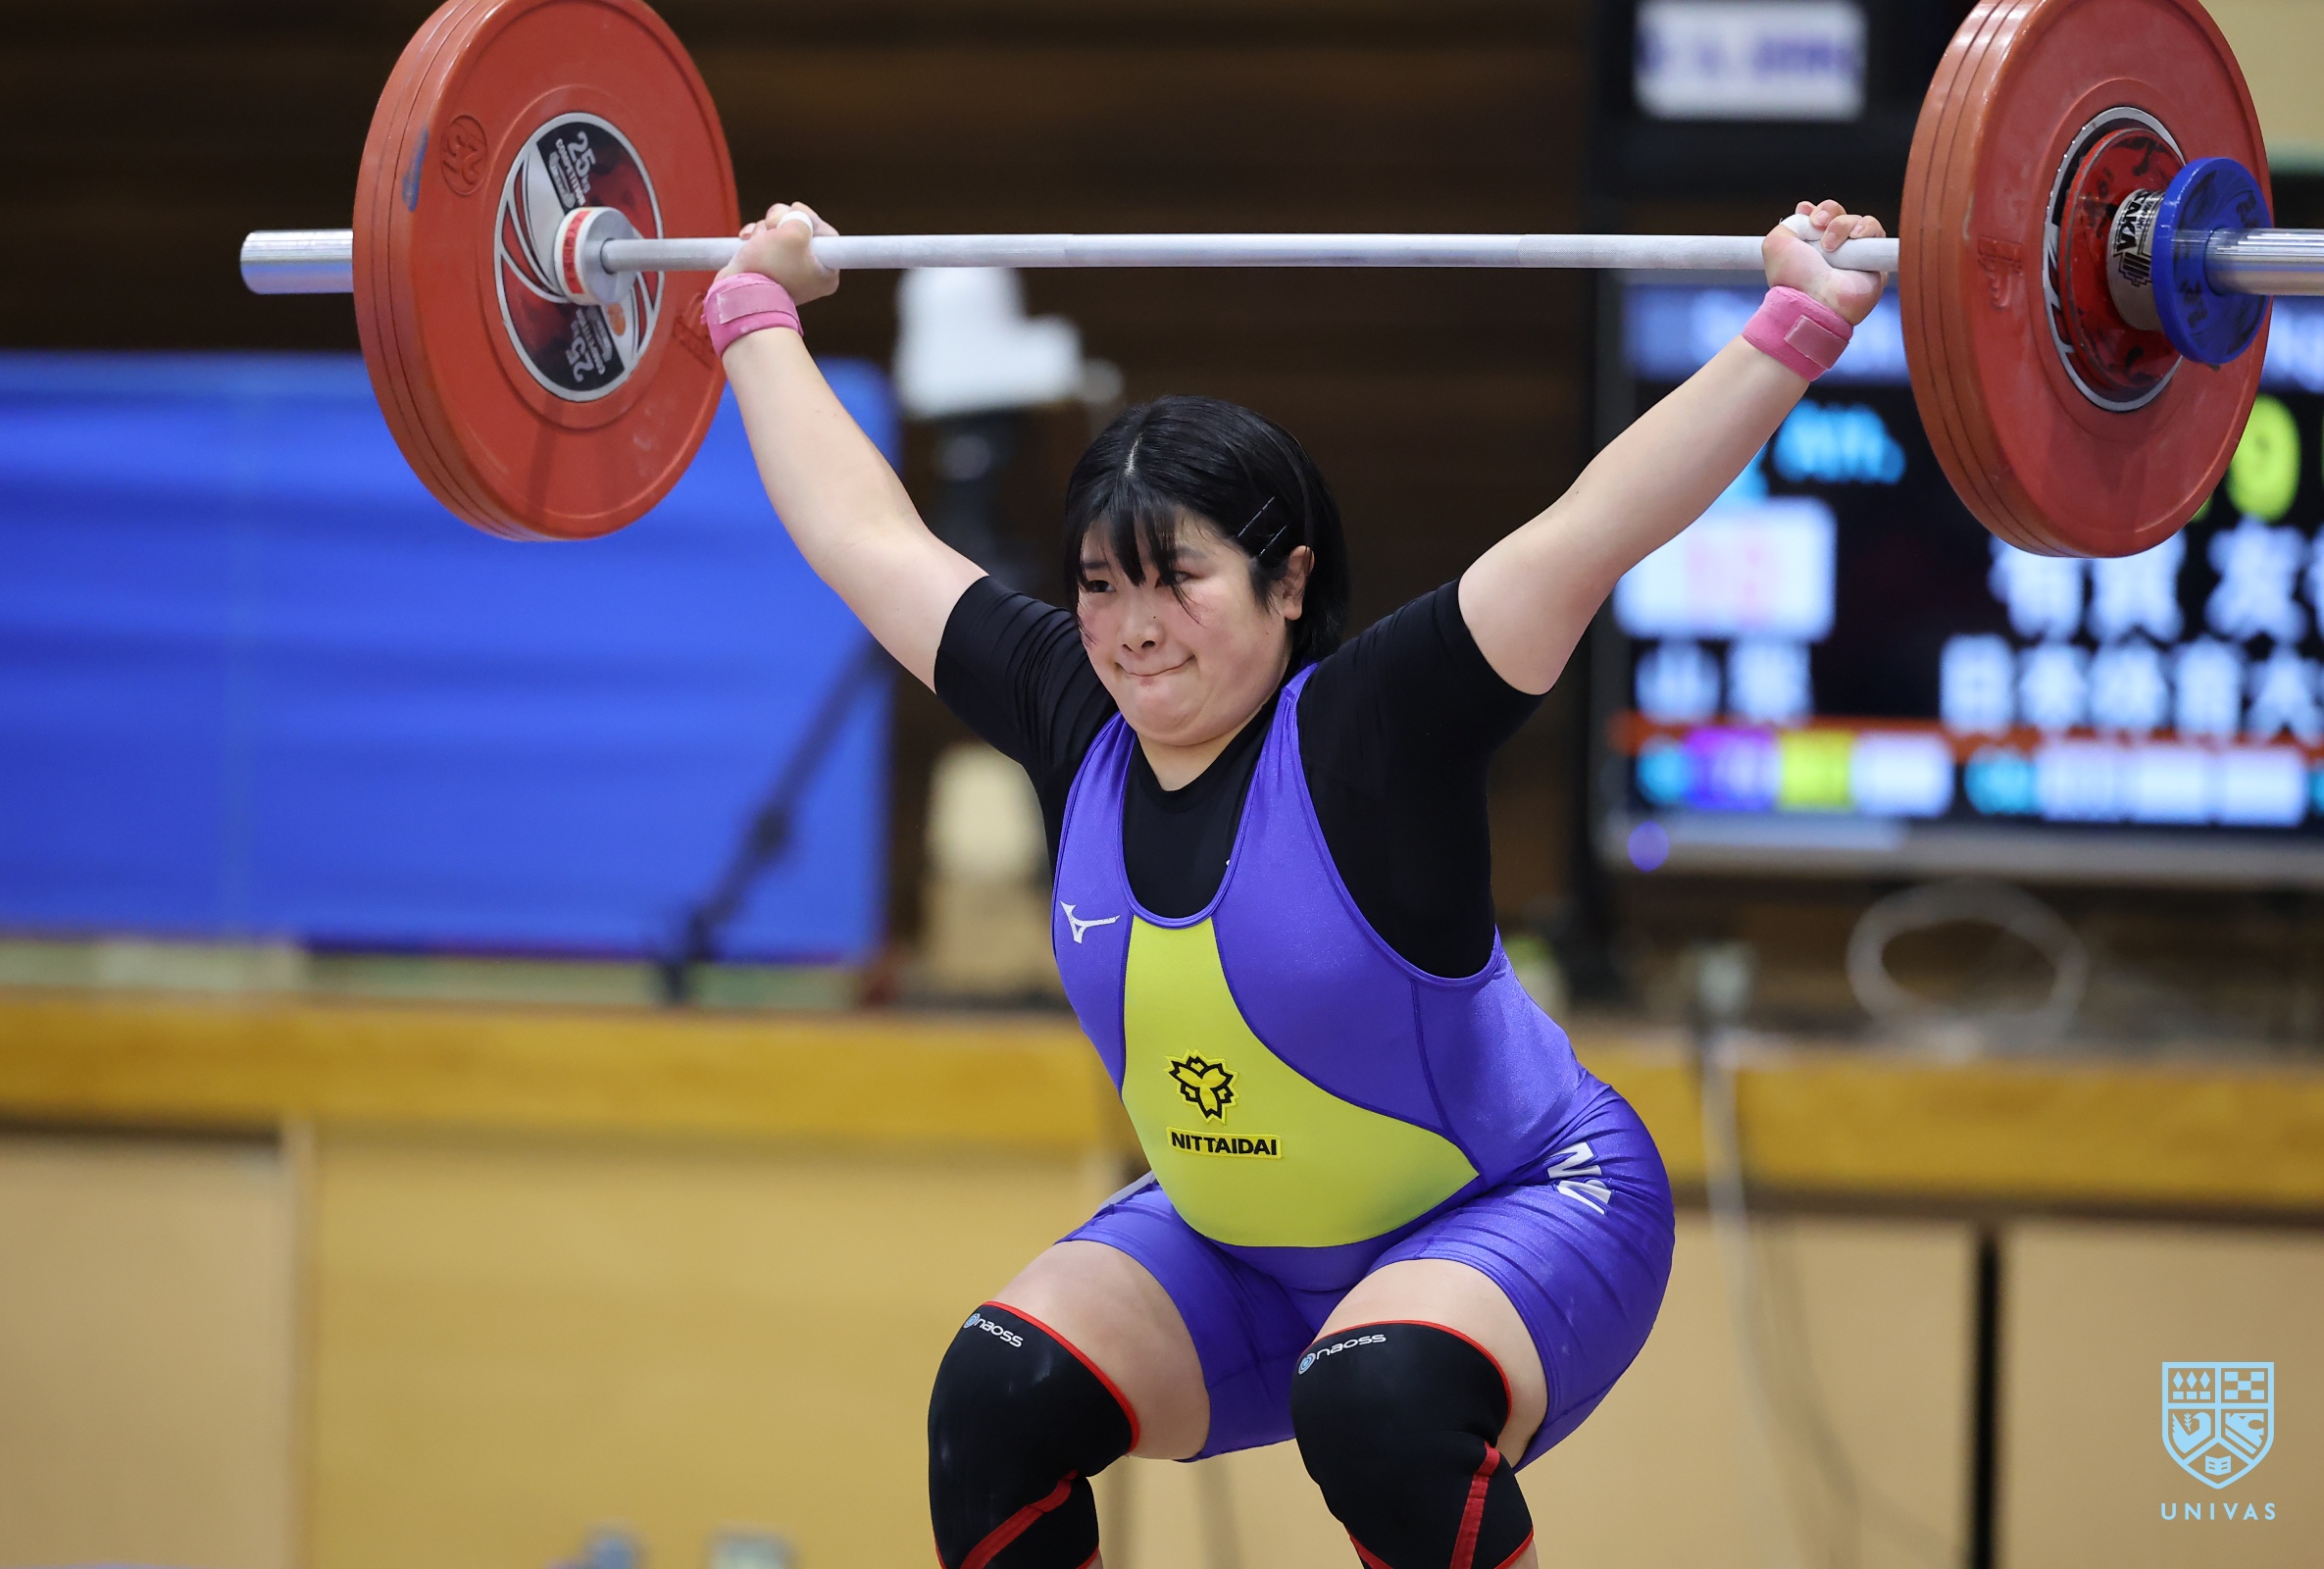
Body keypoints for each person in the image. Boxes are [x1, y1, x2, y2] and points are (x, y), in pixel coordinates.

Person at [704, 199, 1887, 1569]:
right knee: (996, 1399)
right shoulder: (1068, 709)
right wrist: (753, 315)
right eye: (1101, 585)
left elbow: (1594, 528)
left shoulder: (1377, 725)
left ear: (1287, 581)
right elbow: (864, 538)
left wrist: (1798, 326)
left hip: (1521, 1205)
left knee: (1378, 1402)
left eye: (1179, 580)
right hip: (1242, 1257)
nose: (1133, 628)